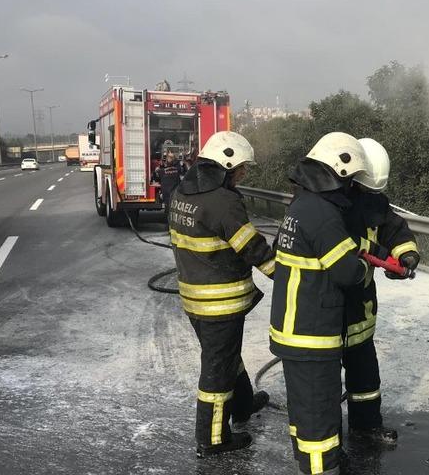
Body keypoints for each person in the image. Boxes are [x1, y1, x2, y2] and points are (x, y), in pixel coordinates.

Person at [269, 132, 384, 475]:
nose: (350, 188)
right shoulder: (322, 213)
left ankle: (311, 460)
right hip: (312, 335)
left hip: (294, 332)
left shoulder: (301, 204)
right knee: (319, 418)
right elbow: (348, 272)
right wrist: (367, 261)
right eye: (349, 179)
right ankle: (323, 466)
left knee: (305, 414)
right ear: (338, 171)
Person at [168, 131, 272, 458]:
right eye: (240, 168)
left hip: (194, 298)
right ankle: (212, 439)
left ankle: (242, 405)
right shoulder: (224, 203)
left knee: (226, 356)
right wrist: (285, 274)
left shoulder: (183, 193)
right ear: (225, 166)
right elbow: (252, 249)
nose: (243, 174)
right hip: (220, 303)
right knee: (216, 371)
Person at [342, 138, 419, 447]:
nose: (368, 197)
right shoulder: (329, 206)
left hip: (360, 305)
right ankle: (324, 436)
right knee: (321, 380)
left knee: (365, 372)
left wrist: (406, 256)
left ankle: (366, 425)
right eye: (365, 189)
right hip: (329, 306)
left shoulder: (375, 203)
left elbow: (396, 230)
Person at [154, 148, 187, 220]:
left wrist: (158, 168)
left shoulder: (161, 171)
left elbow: (156, 179)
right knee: (176, 211)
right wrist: (182, 163)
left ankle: (169, 226)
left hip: (166, 196)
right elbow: (184, 171)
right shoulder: (177, 170)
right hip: (175, 195)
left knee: (168, 211)